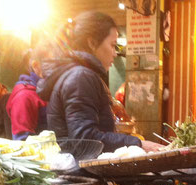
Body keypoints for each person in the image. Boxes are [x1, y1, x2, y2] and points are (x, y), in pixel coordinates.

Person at [38, 11, 161, 153]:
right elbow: (84, 139)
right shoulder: (80, 77)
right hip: (81, 172)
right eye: (113, 45)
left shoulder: (78, 74)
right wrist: (138, 143)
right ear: (92, 43)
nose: (115, 53)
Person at [6, 42, 54, 140]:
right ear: (36, 66)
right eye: (51, 64)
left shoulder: (48, 89)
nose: (56, 69)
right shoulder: (24, 96)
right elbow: (22, 140)